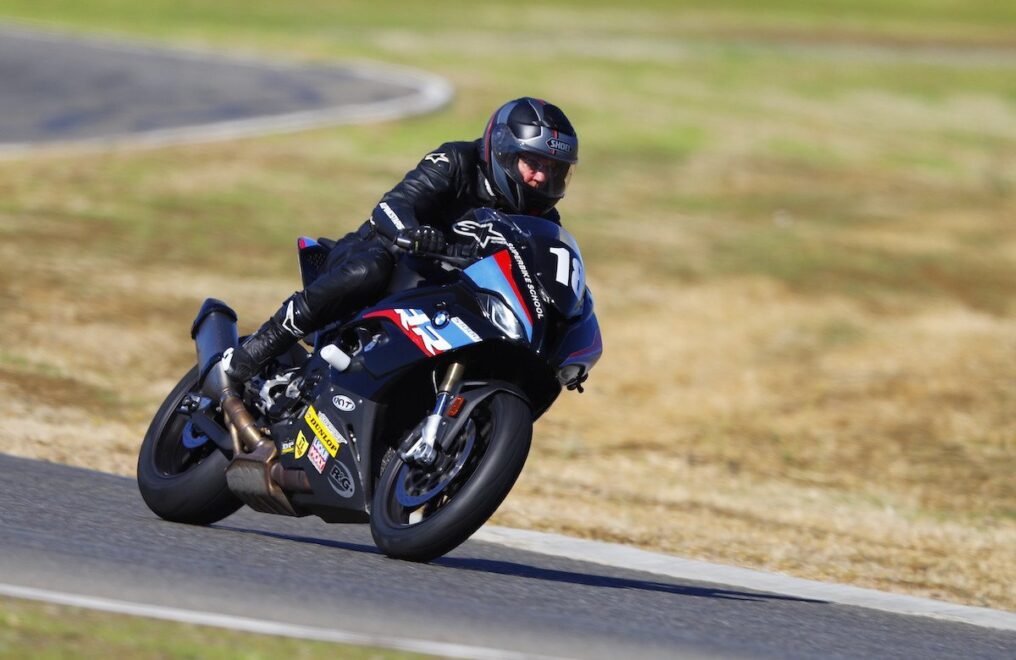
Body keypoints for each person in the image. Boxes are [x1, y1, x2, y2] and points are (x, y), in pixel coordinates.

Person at [224, 97, 579, 383]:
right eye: (533, 162)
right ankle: (262, 345)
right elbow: (393, 205)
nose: (539, 178)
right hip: (390, 257)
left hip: (450, 296)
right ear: (504, 151)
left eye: (552, 169)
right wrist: (412, 233)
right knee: (370, 268)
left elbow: (546, 272)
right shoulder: (456, 159)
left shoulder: (543, 219)